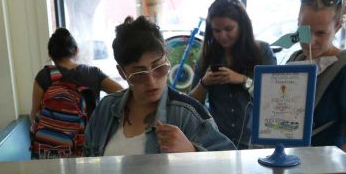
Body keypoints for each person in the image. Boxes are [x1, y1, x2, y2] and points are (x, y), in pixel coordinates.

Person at [83, 16, 234, 157]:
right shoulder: (106, 109)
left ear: (167, 61)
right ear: (122, 73)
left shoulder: (187, 114)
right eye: (139, 74)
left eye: (159, 68)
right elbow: (88, 163)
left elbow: (228, 160)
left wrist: (192, 151)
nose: (151, 81)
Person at [287, 0, 346, 158]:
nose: (310, 41)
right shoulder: (295, 60)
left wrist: (324, 168)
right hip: (290, 161)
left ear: (338, 26)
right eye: (303, 30)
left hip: (325, 168)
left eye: (320, 33)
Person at [189, 0, 277, 148]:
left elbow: (274, 98)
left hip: (254, 141)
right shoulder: (207, 56)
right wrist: (204, 83)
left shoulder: (262, 51)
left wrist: (242, 80)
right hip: (218, 141)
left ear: (242, 26)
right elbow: (191, 105)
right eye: (216, 30)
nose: (222, 36)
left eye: (229, 29)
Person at [31, 28, 123, 158]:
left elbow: (34, 114)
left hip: (48, 153)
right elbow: (122, 93)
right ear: (76, 50)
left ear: (50, 54)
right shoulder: (93, 73)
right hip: (86, 149)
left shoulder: (44, 75)